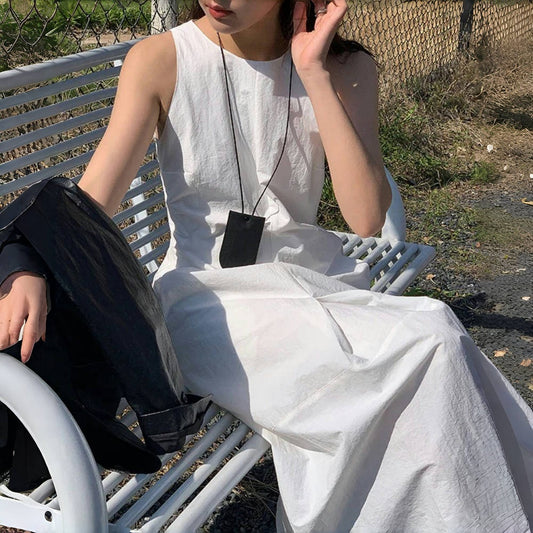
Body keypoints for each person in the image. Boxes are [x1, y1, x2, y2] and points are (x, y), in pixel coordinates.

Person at [1, 0, 532, 530]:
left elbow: (367, 217)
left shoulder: (345, 68)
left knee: (433, 352)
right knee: (430, 343)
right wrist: (25, 265)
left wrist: (312, 73)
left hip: (316, 281)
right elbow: (90, 204)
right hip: (209, 302)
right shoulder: (163, 60)